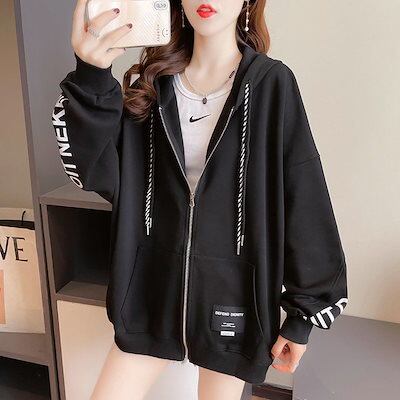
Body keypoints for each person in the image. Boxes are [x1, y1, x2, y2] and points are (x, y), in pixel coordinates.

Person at [51, 0, 349, 398]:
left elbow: (304, 195)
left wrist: (302, 317)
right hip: (150, 297)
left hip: (235, 301)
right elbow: (95, 172)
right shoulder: (151, 86)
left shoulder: (271, 84)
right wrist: (91, 75)